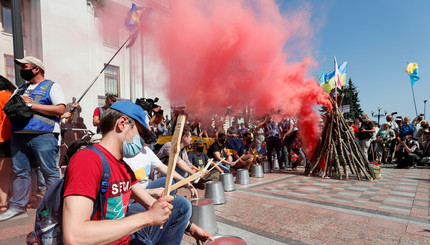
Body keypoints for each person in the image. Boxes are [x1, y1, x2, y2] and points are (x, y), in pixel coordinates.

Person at [62, 101, 213, 244]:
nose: (141, 142)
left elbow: (152, 204)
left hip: (125, 237)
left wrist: (191, 228)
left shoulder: (123, 166)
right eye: (140, 134)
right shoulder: (87, 160)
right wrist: (148, 218)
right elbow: (74, 236)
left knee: (181, 205)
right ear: (122, 124)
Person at [0, 56, 66, 221]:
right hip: (19, 135)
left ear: (36, 69)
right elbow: (9, 107)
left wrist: (31, 105)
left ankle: (57, 208)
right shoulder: (20, 88)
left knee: (49, 172)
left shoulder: (52, 86)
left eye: (25, 66)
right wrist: (18, 102)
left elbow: (60, 109)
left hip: (44, 135)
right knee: (19, 172)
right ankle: (17, 207)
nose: (22, 69)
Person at [0, 76, 15, 213]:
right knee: (9, 171)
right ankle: (6, 201)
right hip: (9, 137)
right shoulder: (9, 95)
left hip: (2, 138)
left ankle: (3, 202)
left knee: (3, 172)